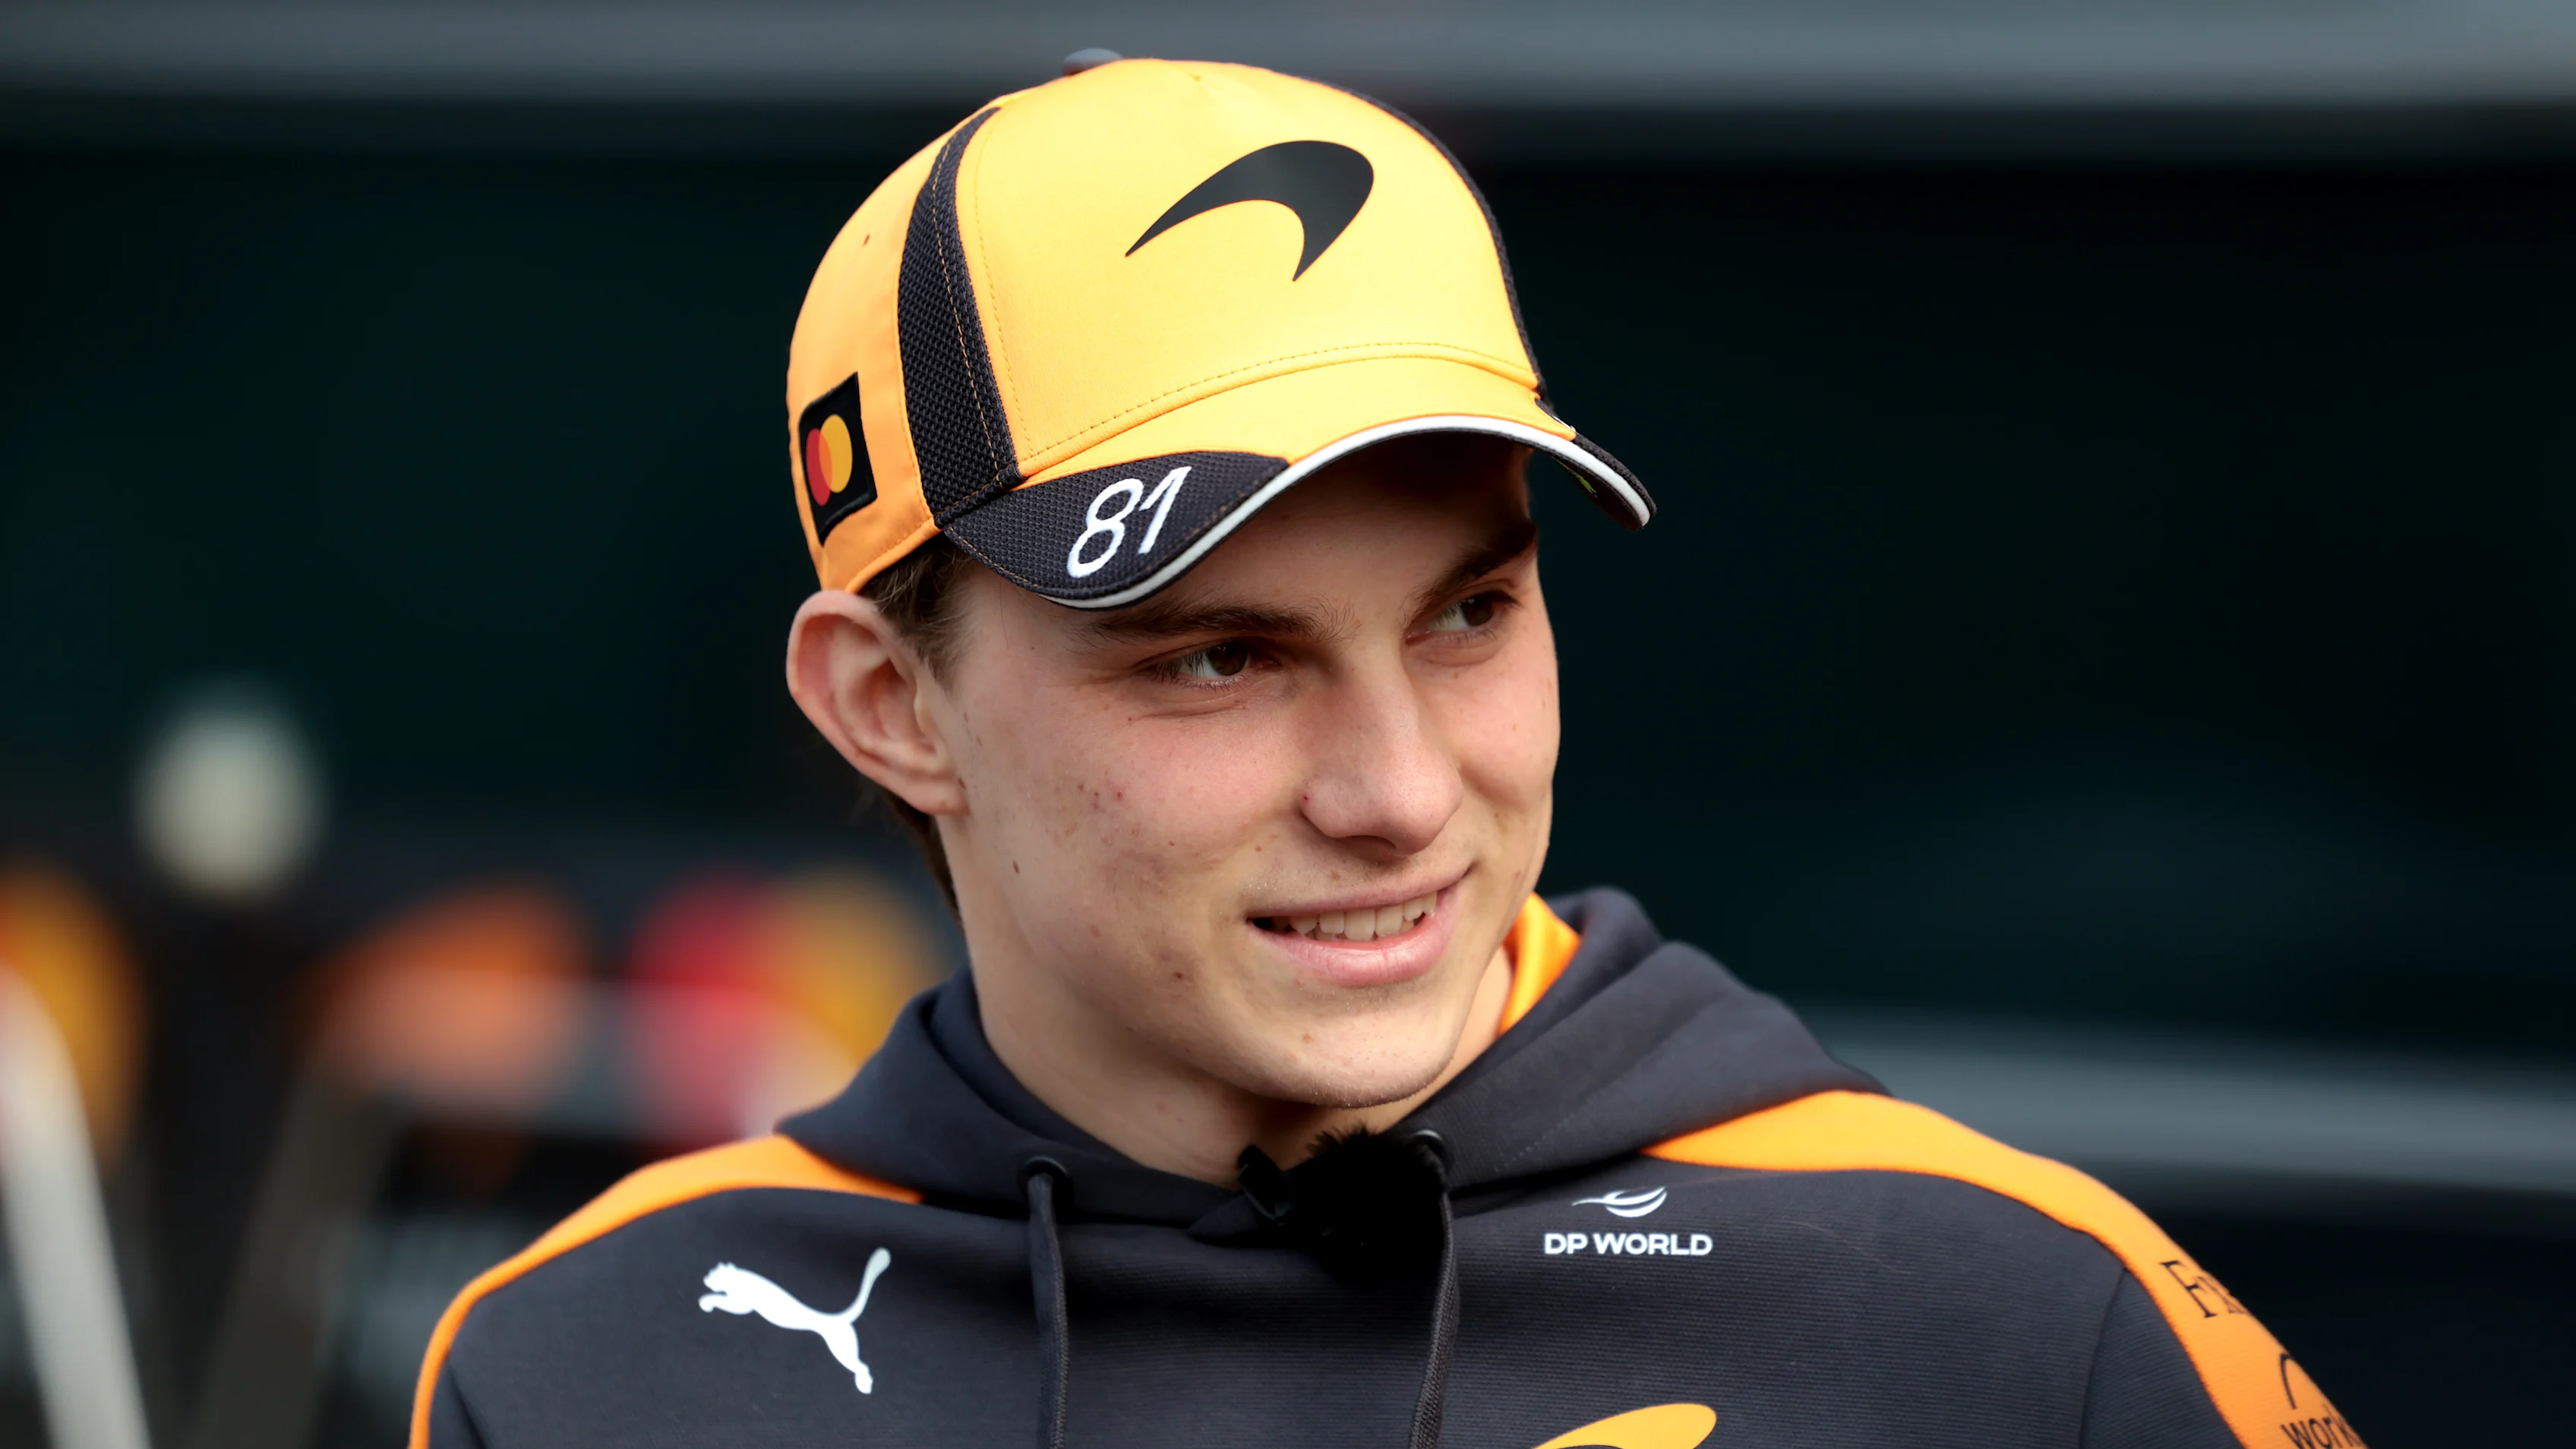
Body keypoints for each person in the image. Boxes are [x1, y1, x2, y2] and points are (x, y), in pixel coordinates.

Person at [413, 57, 2362, 1449]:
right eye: (1219, 660)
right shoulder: (592, 1359)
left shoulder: (2000, 1311)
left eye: (1467, 614)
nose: (1404, 792)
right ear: (888, 707)